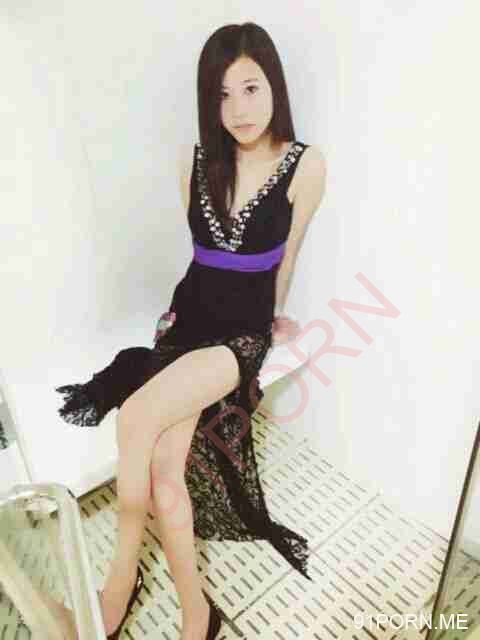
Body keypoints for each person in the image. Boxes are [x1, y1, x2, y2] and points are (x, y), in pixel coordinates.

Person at [55, 21, 326, 640]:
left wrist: (275, 318)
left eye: (251, 88)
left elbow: (287, 258)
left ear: (275, 86)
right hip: (187, 322)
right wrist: (172, 326)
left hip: (239, 337)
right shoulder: (196, 160)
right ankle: (198, 615)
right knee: (163, 466)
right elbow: (203, 259)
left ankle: (117, 584)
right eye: (222, 95)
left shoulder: (305, 165)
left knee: (133, 418)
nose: (239, 109)